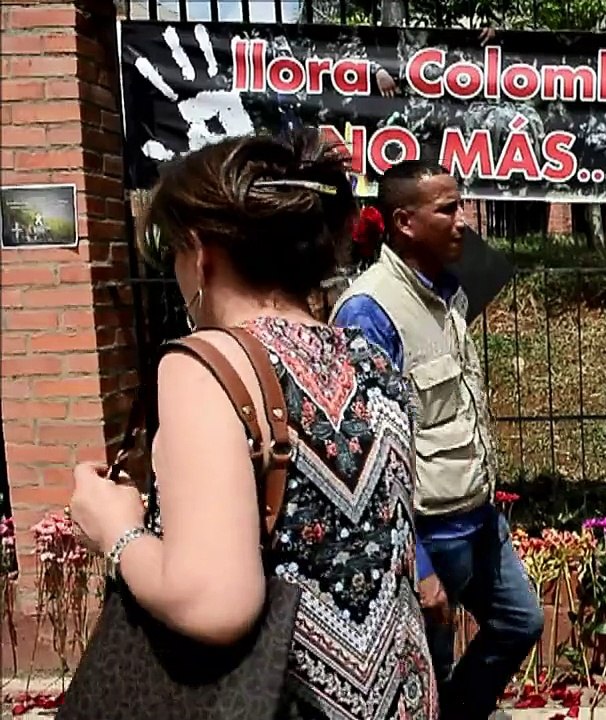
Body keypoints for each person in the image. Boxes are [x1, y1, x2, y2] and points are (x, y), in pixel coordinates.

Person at [68, 129, 437, 720]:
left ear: (200, 250)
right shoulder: (370, 359)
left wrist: (115, 530)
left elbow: (215, 601)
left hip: (284, 700)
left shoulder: (206, 364)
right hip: (401, 697)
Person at [330, 160, 544, 720]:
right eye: (447, 208)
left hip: (478, 517)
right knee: (430, 668)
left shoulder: (449, 287)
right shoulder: (368, 311)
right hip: (428, 532)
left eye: (462, 204)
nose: (463, 220)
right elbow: (368, 453)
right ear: (403, 221)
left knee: (521, 621)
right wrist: (419, 563)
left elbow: (493, 273)